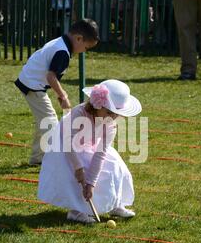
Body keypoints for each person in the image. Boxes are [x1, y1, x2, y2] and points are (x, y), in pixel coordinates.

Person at [38, 80, 142, 224]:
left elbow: (101, 153)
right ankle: (76, 211)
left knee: (116, 167)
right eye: (109, 112)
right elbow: (68, 143)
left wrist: (91, 183)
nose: (112, 117)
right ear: (98, 105)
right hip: (66, 147)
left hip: (91, 145)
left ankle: (114, 204)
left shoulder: (111, 124)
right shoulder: (79, 114)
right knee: (78, 174)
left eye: (116, 114)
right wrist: (78, 169)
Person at [14, 18, 99, 166]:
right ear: (78, 38)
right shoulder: (62, 52)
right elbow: (51, 76)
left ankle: (37, 159)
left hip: (31, 82)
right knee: (50, 122)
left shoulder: (60, 42)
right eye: (85, 48)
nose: (84, 52)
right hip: (33, 85)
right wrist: (63, 95)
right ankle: (54, 161)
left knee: (44, 122)